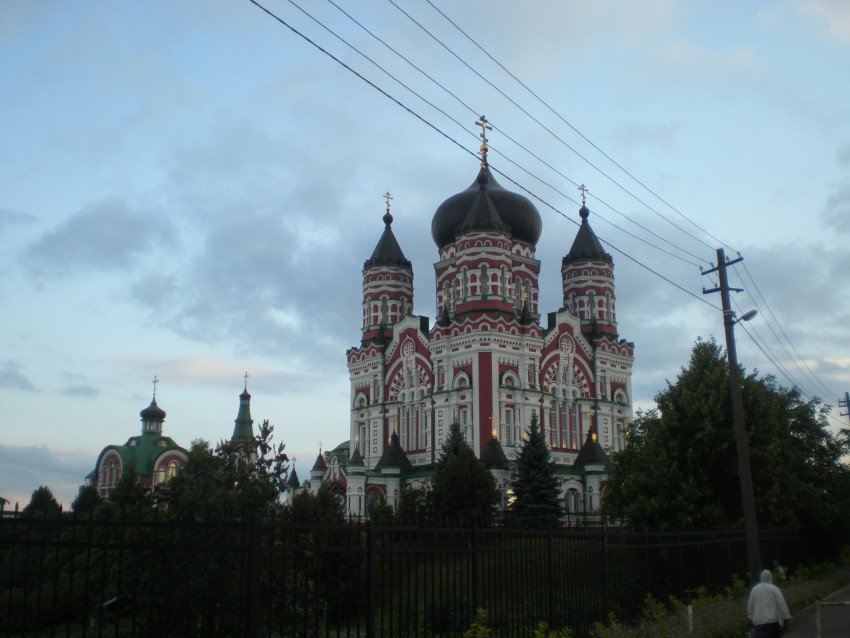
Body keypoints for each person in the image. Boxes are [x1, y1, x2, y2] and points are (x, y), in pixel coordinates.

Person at [747, 569, 791, 637]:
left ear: (761, 577)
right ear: (771, 577)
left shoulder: (754, 590)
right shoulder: (774, 588)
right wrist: (786, 617)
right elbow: (781, 603)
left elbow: (750, 607)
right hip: (772, 623)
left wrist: (751, 618)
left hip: (759, 625)